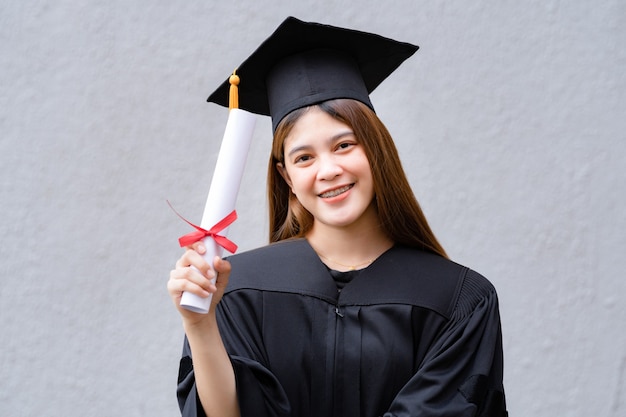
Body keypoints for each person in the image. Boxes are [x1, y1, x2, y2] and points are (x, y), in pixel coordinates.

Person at [168, 17, 507, 417]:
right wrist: (200, 325)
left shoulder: (458, 301)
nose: (327, 170)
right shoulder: (236, 289)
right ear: (287, 177)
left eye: (344, 145)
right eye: (304, 157)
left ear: (377, 150)